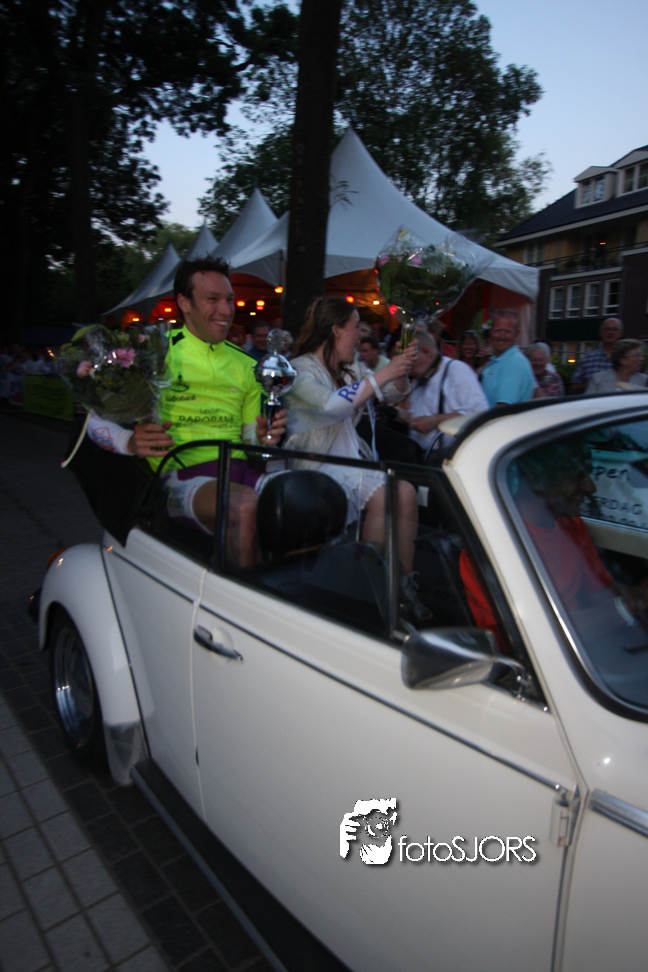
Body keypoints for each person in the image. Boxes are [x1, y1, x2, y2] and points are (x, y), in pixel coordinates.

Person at [87, 257, 288, 564]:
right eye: (212, 299)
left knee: (307, 501)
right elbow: (92, 422)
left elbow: (249, 440)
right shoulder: (152, 352)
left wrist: (263, 438)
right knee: (245, 507)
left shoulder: (249, 365)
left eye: (229, 300)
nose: (226, 310)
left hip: (237, 469)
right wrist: (129, 442)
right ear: (184, 303)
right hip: (177, 476)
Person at [283, 296, 427, 618]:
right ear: (336, 330)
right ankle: (367, 587)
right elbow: (330, 405)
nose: (361, 336)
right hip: (316, 467)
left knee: (405, 491)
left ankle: (402, 586)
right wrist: (384, 373)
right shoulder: (299, 370)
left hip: (352, 463)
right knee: (386, 496)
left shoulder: (349, 368)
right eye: (356, 328)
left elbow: (393, 392)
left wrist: (401, 367)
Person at [405, 331, 489, 454]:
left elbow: (479, 413)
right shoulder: (420, 378)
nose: (408, 365)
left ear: (426, 351)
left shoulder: (456, 370)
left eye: (411, 358)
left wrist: (435, 421)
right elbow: (417, 414)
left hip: (445, 457)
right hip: (419, 455)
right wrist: (397, 414)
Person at [479, 309, 535, 408]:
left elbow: (503, 410)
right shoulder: (498, 360)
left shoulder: (514, 363)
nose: (502, 336)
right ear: (490, 332)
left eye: (508, 331)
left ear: (517, 334)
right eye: (497, 330)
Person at [569, 317, 624, 394]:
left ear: (621, 332)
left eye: (614, 329)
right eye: (607, 329)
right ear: (601, 332)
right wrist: (593, 383)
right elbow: (573, 387)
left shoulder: (627, 359)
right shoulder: (588, 358)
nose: (610, 332)